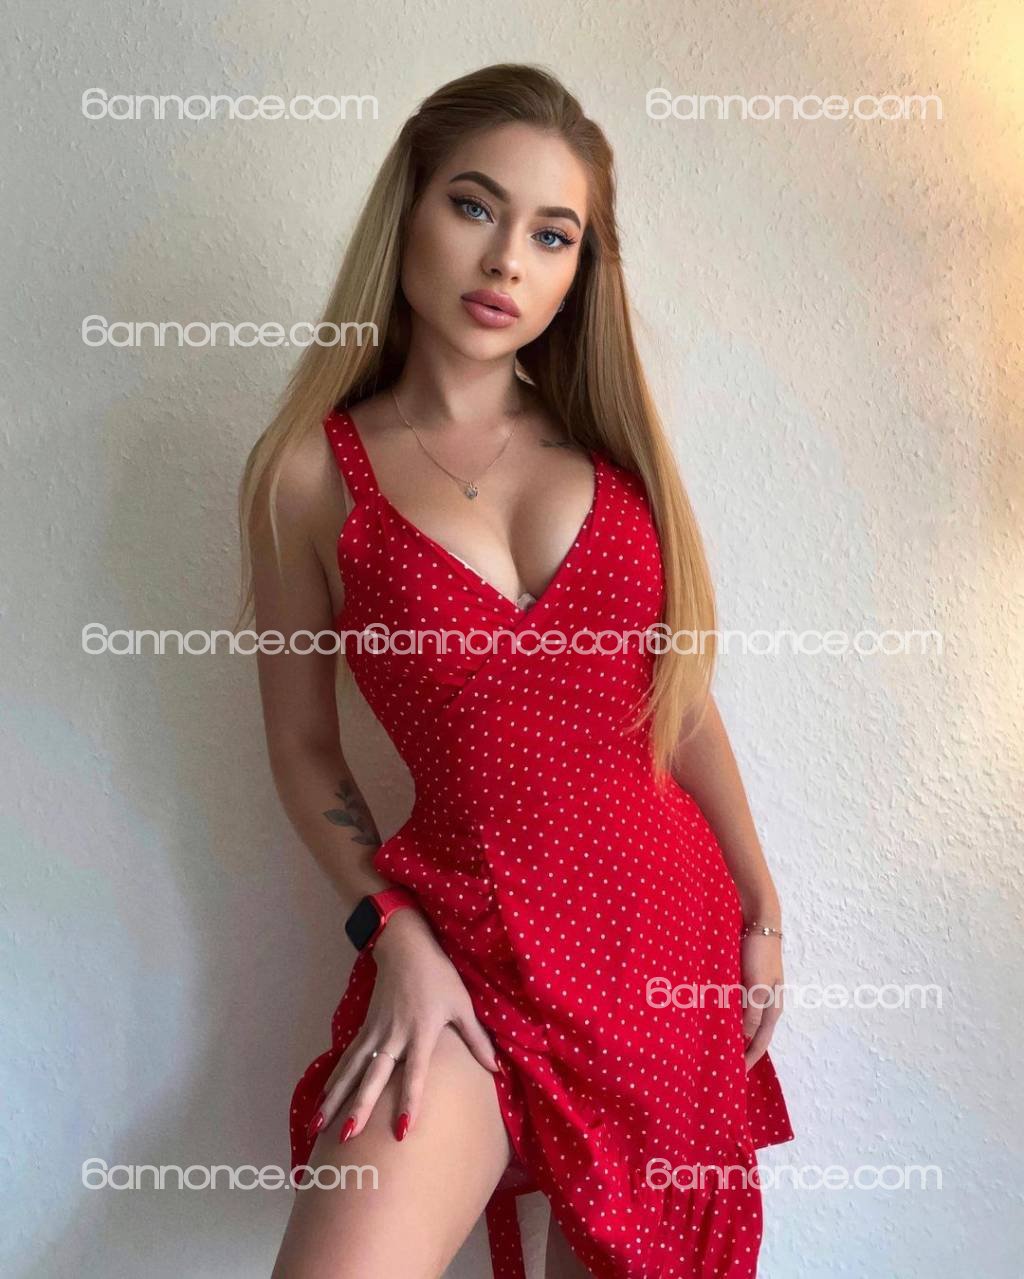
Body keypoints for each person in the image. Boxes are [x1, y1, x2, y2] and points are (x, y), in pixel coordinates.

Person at [236, 62, 794, 1279]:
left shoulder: (612, 452)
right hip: (467, 949)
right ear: (409, 210)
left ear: (580, 269)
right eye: (474, 206)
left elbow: (677, 704)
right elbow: (303, 748)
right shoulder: (308, 477)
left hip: (663, 946)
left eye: (552, 234)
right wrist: (389, 928)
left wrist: (760, 908)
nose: (505, 261)